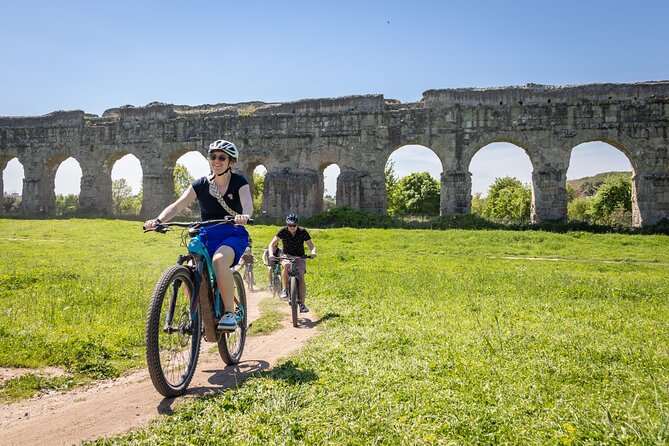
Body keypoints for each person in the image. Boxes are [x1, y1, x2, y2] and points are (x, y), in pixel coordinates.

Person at [144, 139, 253, 332]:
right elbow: (177, 205)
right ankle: (200, 308)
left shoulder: (239, 182)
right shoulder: (202, 184)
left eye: (222, 157)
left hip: (232, 233)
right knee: (191, 266)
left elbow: (247, 204)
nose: (216, 160)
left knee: (220, 261)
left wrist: (245, 216)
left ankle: (229, 312)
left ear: (230, 162)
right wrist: (158, 220)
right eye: (213, 156)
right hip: (207, 233)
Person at [267, 213, 316, 313]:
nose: (292, 227)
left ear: (297, 225)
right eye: (290, 225)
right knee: (286, 266)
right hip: (287, 256)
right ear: (287, 225)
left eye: (294, 225)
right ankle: (285, 289)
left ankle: (302, 304)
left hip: (300, 257)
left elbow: (311, 245)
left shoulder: (303, 231)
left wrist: (313, 252)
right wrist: (271, 254)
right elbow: (272, 244)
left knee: (301, 276)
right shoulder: (283, 231)